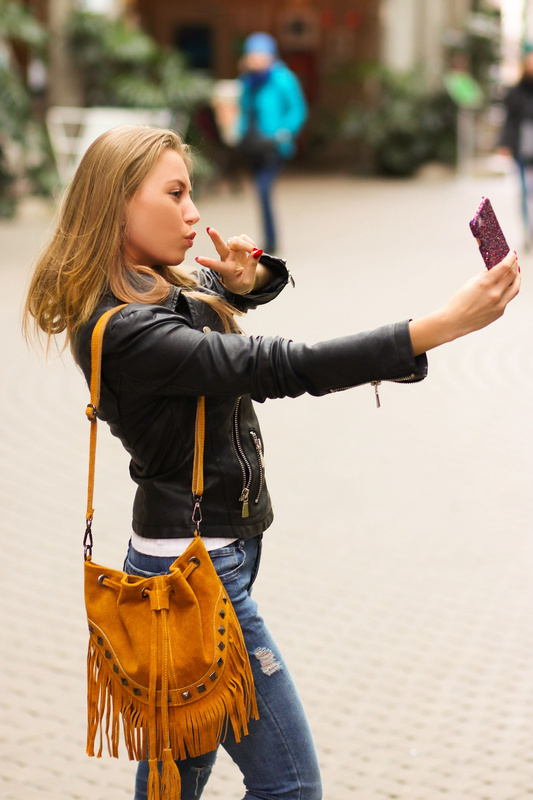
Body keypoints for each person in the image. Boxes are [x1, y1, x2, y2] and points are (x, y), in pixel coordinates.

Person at [24, 125, 520, 800]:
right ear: (117, 205)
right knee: (290, 784)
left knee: (177, 773)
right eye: (175, 194)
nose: (194, 213)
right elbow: (277, 366)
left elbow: (215, 295)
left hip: (200, 554)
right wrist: (437, 326)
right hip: (195, 573)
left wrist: (250, 277)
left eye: (190, 192)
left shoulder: (152, 288)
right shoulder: (130, 331)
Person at [237, 32, 307, 252]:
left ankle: (271, 241)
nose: (256, 59)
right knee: (259, 192)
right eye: (252, 54)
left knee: (263, 189)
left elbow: (298, 109)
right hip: (252, 144)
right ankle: (267, 237)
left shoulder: (283, 78)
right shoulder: (247, 80)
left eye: (260, 54)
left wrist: (282, 133)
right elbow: (243, 111)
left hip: (273, 146)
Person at [498, 44, 533, 248]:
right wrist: (504, 144)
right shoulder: (515, 92)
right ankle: (528, 231)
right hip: (521, 147)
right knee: (523, 190)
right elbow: (509, 120)